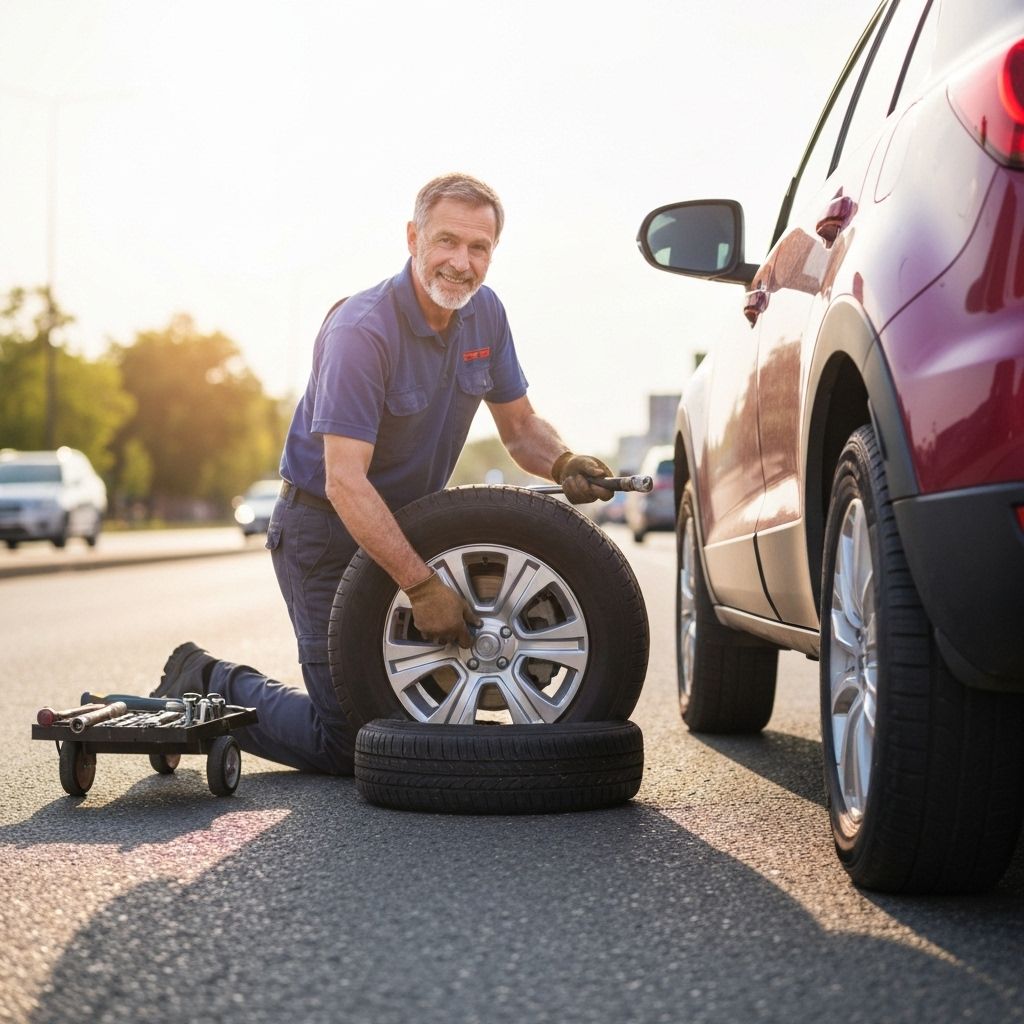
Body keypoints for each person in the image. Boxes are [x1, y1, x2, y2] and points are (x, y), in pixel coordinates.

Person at [154, 173, 614, 774]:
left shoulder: (486, 315)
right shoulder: (361, 331)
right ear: (413, 238)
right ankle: (204, 678)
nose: (461, 263)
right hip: (324, 532)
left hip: (407, 526)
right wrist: (422, 587)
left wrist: (563, 460)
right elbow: (345, 482)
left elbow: (521, 427)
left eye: (479, 249)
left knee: (401, 719)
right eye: (447, 241)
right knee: (349, 737)